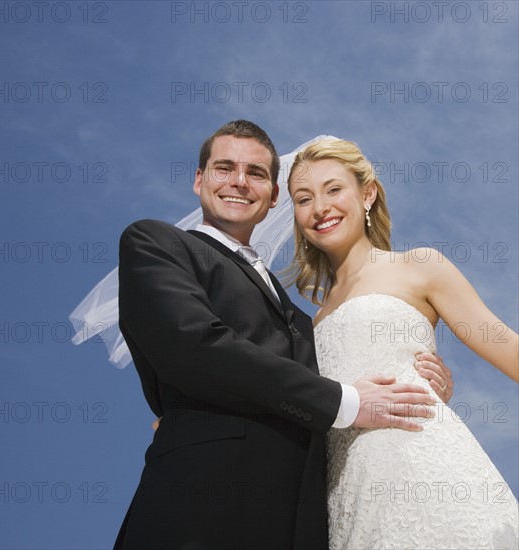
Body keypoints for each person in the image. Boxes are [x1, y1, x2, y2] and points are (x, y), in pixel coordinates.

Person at [111, 121, 453, 550]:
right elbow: (195, 345)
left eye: (256, 173)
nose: (239, 181)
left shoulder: (298, 314)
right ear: (199, 180)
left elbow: (330, 375)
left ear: (274, 197)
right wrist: (347, 402)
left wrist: (414, 374)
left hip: (299, 521)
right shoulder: (156, 243)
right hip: (200, 507)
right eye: (224, 168)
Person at [287, 137, 519, 549]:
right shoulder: (311, 322)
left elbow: (509, 349)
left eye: (334, 189)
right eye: (304, 198)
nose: (320, 207)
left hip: (428, 469)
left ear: (368, 194)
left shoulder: (419, 266)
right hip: (350, 496)